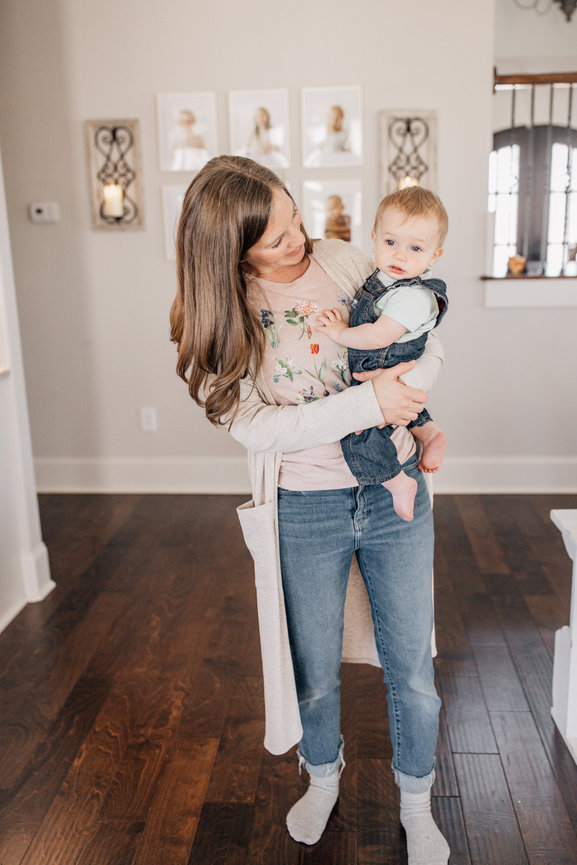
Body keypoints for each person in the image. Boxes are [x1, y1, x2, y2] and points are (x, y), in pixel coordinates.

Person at [170, 156, 450, 865]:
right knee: (314, 665)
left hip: (394, 491)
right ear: (231, 252)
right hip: (307, 506)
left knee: (410, 665)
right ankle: (321, 778)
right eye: (274, 237)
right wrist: (367, 402)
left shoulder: (347, 259)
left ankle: (416, 802)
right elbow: (256, 426)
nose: (298, 240)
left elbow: (421, 333)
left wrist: (413, 395)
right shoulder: (218, 314)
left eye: (293, 218)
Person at [316, 186, 448, 522]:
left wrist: (339, 333)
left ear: (434, 256)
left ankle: (396, 482)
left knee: (359, 432)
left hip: (384, 362)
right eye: (391, 243)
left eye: (415, 248)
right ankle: (430, 433)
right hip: (386, 368)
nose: (400, 256)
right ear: (374, 239)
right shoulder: (384, 279)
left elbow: (379, 335)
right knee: (405, 408)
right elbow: (373, 316)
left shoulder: (413, 295)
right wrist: (347, 318)